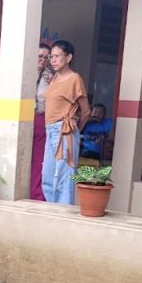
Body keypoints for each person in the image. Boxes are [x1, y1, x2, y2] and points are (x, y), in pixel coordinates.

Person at [42, 40, 91, 205]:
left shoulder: (74, 79)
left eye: (57, 56)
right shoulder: (55, 77)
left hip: (64, 131)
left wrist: (74, 130)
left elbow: (86, 111)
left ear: (69, 57)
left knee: (64, 179)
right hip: (50, 130)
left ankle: (64, 215)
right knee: (48, 177)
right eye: (51, 57)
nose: (53, 60)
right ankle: (52, 213)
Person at [31, 43, 53, 200]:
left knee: (39, 161)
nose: (43, 60)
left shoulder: (50, 77)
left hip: (41, 118)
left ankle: (36, 195)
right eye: (40, 56)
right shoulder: (23, 72)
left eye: (46, 57)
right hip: (22, 119)